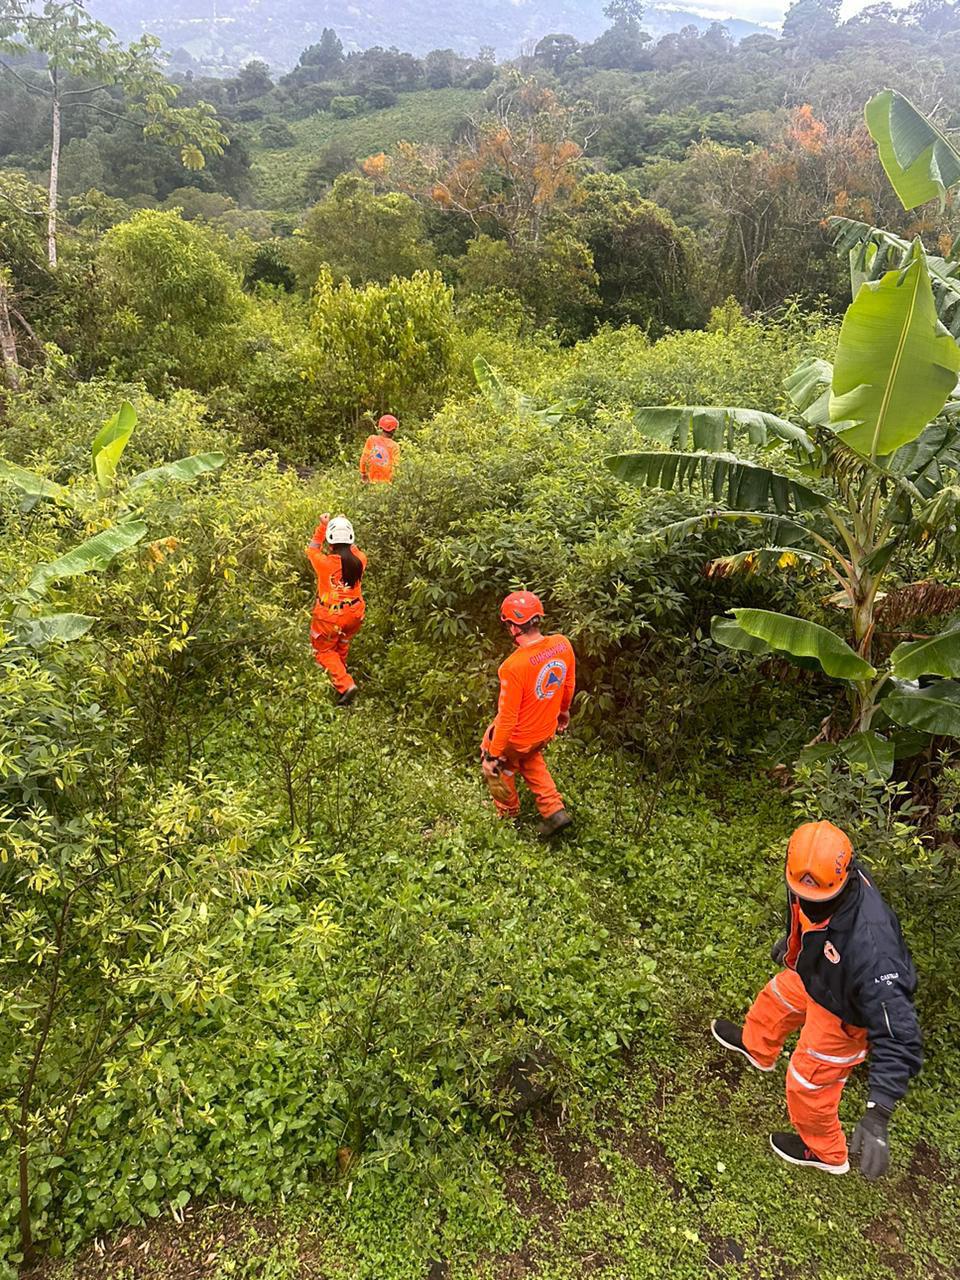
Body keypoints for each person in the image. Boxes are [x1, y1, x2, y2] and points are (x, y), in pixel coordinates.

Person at [711, 821, 922, 1178]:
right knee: (776, 999)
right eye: (802, 894)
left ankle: (826, 1152)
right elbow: (803, 910)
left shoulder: (873, 951)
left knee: (808, 1082)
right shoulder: (815, 878)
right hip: (819, 972)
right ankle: (756, 1046)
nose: (808, 902)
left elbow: (899, 1031)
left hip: (845, 1014)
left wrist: (879, 1111)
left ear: (843, 881)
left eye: (818, 900)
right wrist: (793, 942)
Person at [481, 591, 576, 839]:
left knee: (498, 755)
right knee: (530, 758)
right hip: (544, 731)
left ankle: (507, 813)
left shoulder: (513, 666)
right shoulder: (562, 644)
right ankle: (554, 809)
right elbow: (567, 684)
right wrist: (563, 712)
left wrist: (492, 756)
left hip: (518, 738)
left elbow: (507, 718)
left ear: (512, 626)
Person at [305, 514, 366, 705]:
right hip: (355, 614)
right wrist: (343, 525)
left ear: (331, 543)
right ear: (350, 539)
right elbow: (353, 550)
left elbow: (312, 548)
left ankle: (345, 684)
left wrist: (323, 526)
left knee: (323, 651)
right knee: (342, 642)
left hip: (330, 616)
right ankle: (340, 671)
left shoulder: (323, 563)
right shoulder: (360, 560)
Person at [359, 414, 399, 484]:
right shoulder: (395, 446)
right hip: (385, 485)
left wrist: (363, 473)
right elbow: (395, 467)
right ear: (393, 430)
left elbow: (364, 457)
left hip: (370, 482)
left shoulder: (372, 439)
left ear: (381, 427)